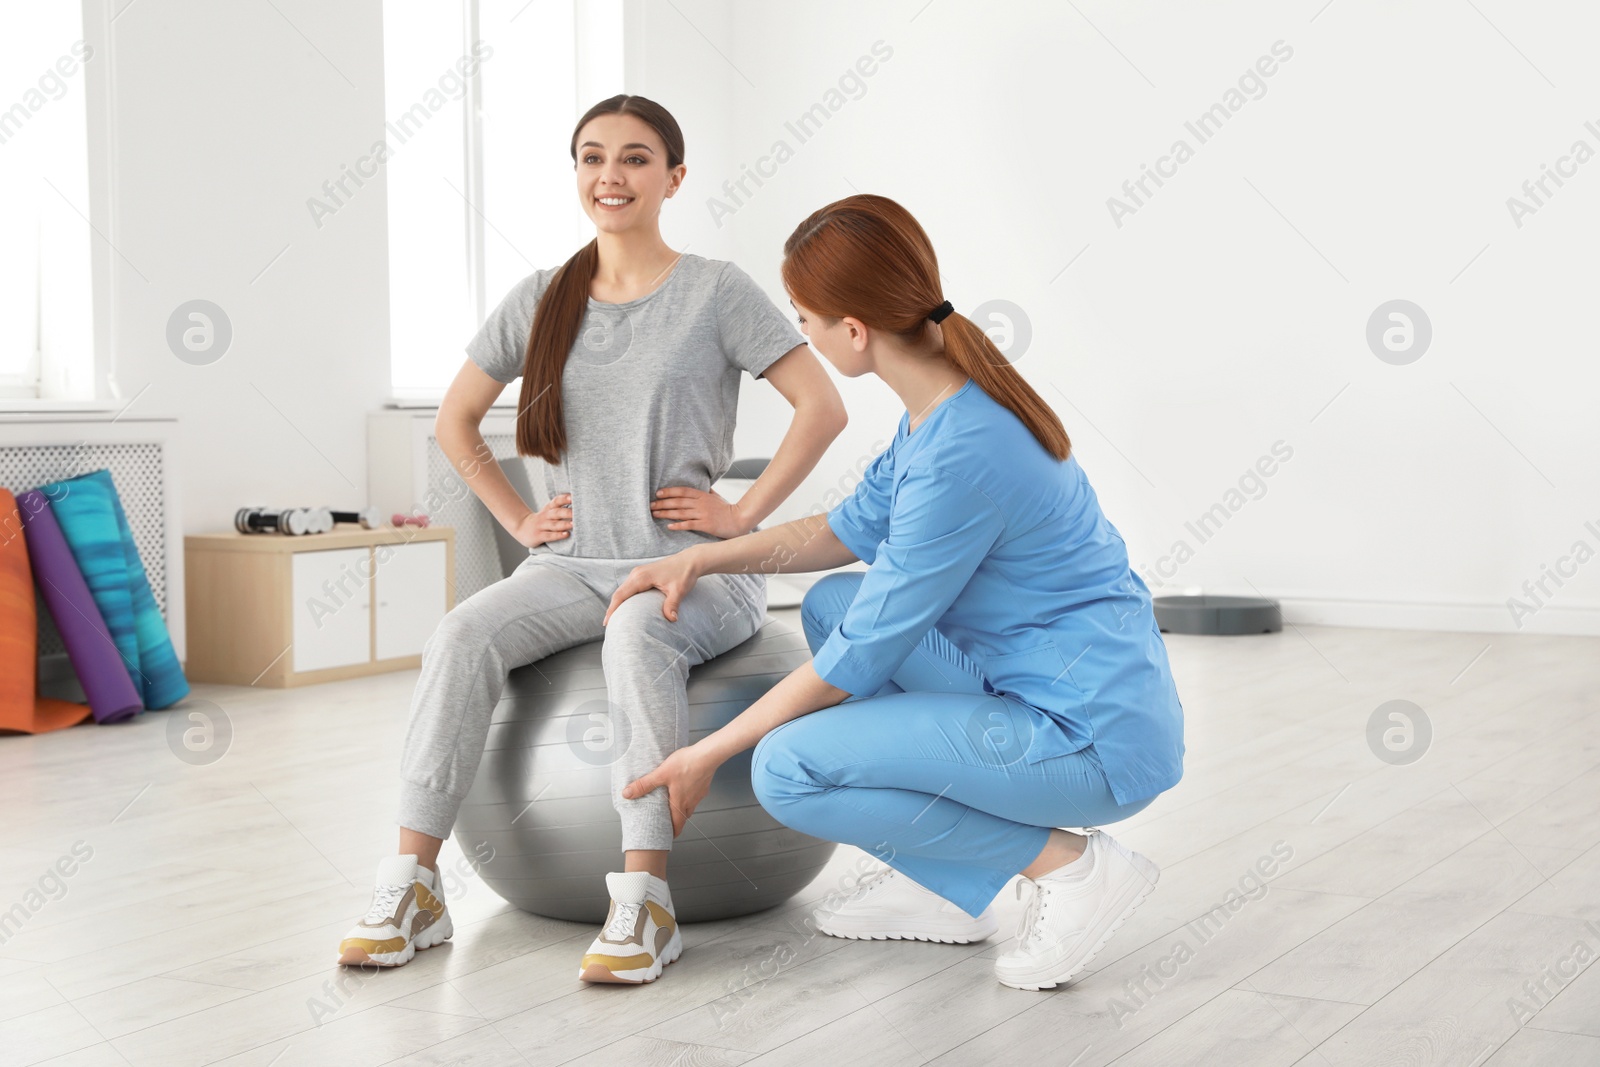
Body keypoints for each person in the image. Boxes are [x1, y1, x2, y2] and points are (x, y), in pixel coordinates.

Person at [604, 193, 1185, 991]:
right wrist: (701, 561)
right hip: (1042, 690)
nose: (801, 333)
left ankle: (1074, 867)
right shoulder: (940, 412)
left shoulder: (962, 453)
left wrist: (702, 753)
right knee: (831, 603)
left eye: (806, 317)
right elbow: (838, 534)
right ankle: (958, 889)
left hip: (1088, 737)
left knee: (788, 769)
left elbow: (856, 661)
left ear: (854, 330)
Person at [337, 95, 847, 984]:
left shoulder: (716, 290)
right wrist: (519, 517)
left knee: (636, 628)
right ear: (577, 173)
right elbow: (455, 420)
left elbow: (823, 404)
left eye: (636, 159)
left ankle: (646, 899)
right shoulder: (542, 297)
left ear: (673, 178)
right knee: (459, 633)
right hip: (570, 565)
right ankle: (414, 882)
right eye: (592, 157)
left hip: (694, 568)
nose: (611, 175)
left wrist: (739, 511)